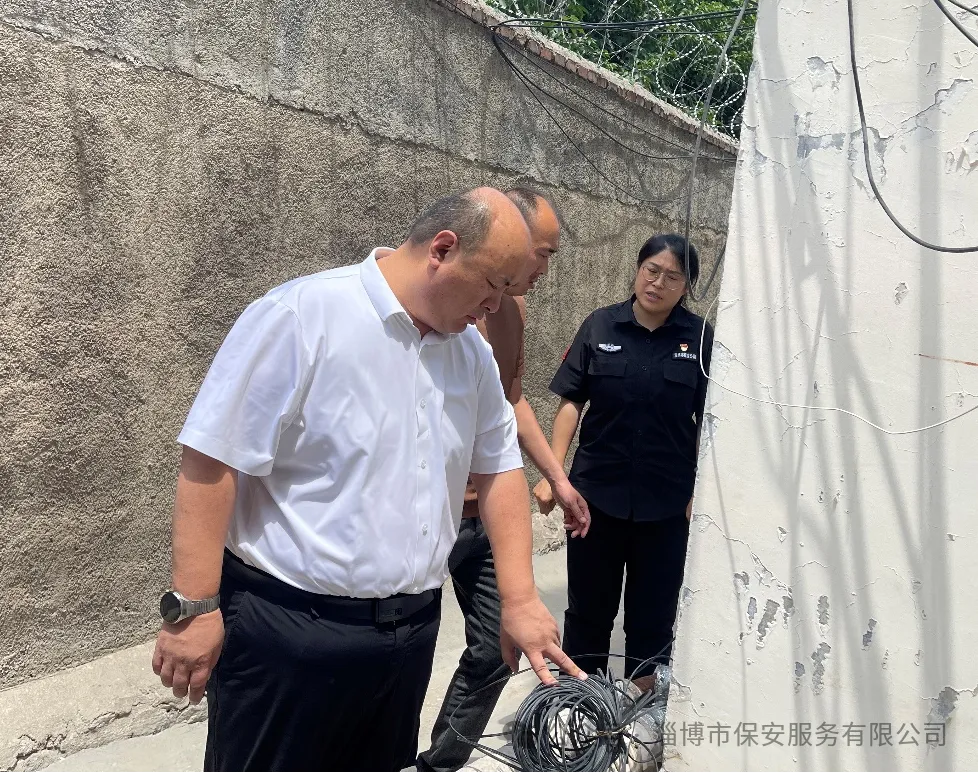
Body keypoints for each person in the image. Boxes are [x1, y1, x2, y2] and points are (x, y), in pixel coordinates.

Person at [151, 187, 586, 773]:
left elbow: (500, 468)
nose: (494, 307)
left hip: (407, 639)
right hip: (289, 633)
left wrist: (521, 598)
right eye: (493, 285)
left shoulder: (470, 354)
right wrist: (195, 608)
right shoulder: (303, 317)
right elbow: (212, 460)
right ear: (442, 250)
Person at [417, 189, 590, 773]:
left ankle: (441, 763)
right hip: (429, 512)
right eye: (543, 253)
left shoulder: (510, 310)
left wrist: (557, 478)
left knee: (499, 647)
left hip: (486, 515)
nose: (542, 269)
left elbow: (510, 402)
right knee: (397, 652)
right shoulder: (436, 303)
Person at [535, 233, 713, 684]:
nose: (658, 283)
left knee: (653, 617)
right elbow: (572, 402)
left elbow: (709, 420)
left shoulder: (699, 338)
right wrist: (555, 475)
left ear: (686, 286)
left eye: (673, 277)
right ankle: (581, 706)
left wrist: (702, 489)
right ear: (638, 270)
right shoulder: (600, 326)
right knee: (588, 612)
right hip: (594, 500)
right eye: (652, 270)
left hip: (667, 505)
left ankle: (641, 711)